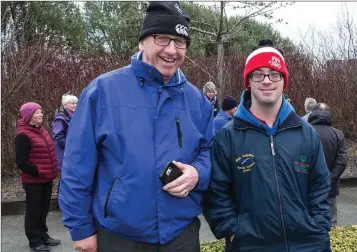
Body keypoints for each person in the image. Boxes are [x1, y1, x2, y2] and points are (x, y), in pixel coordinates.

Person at [59, 2, 214, 252]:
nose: (172, 50)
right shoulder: (102, 92)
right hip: (120, 236)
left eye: (180, 41)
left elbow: (208, 150)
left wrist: (198, 172)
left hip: (181, 234)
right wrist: (81, 228)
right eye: (162, 38)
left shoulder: (197, 101)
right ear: (142, 42)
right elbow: (77, 165)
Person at [203, 45, 331, 252]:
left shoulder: (305, 132)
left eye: (274, 74)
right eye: (258, 75)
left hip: (309, 244)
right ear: (248, 82)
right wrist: (234, 231)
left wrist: (318, 226)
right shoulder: (229, 136)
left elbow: (320, 185)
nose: (266, 80)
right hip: (250, 245)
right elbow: (216, 192)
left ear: (283, 81)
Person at [15, 102, 60, 252]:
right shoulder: (23, 134)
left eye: (41, 112)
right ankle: (34, 241)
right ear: (28, 116)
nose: (41, 114)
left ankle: (43, 235)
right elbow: (21, 161)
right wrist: (37, 171)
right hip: (34, 181)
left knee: (43, 209)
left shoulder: (41, 130)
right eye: (37, 112)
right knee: (34, 211)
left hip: (46, 179)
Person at [308, 103, 348, 227]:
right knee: (331, 221)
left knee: (309, 219)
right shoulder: (337, 134)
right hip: (331, 185)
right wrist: (330, 179)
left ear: (313, 113)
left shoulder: (305, 132)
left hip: (308, 185)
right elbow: (342, 161)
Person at [52, 94, 78, 171]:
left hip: (73, 150)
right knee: (66, 174)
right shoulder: (60, 119)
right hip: (64, 151)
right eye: (72, 103)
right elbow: (58, 136)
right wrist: (69, 146)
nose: (75, 105)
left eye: (76, 103)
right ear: (65, 105)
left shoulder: (75, 116)